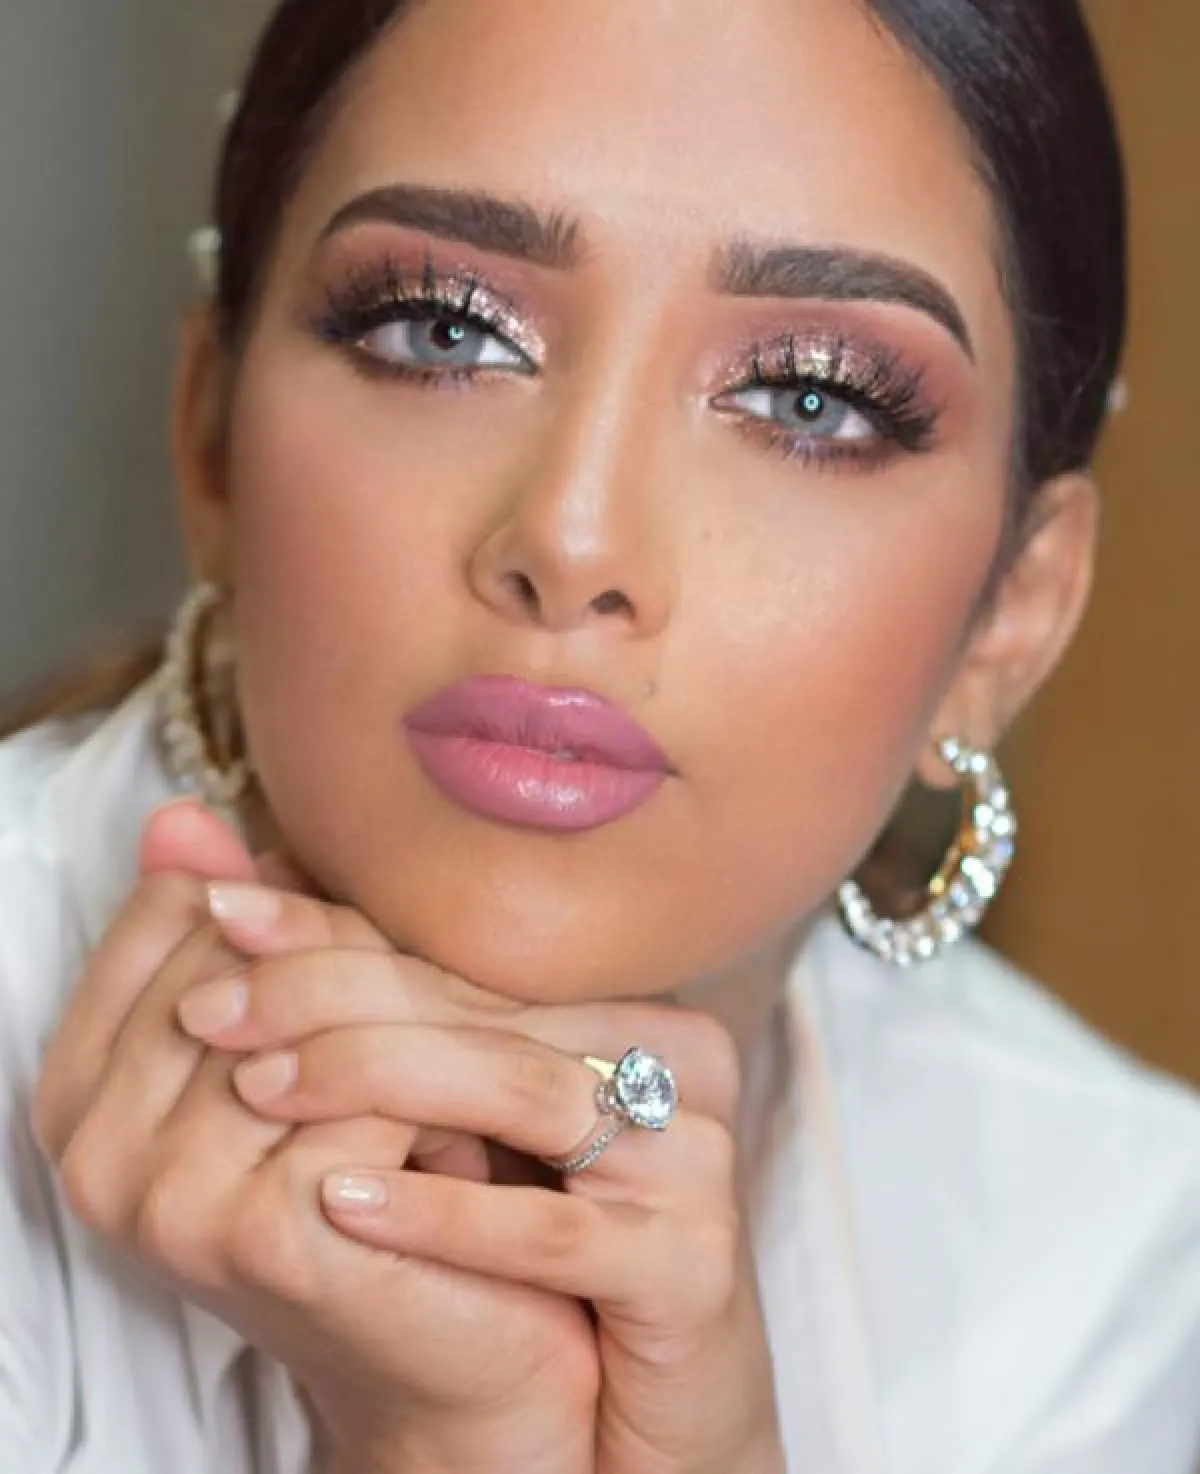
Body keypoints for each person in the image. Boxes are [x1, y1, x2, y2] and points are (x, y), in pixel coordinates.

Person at [2, 0, 1198, 1469]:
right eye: (445, 328)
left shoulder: (1104, 1255)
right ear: (211, 440)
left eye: (809, 397)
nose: (571, 541)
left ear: (1010, 616)